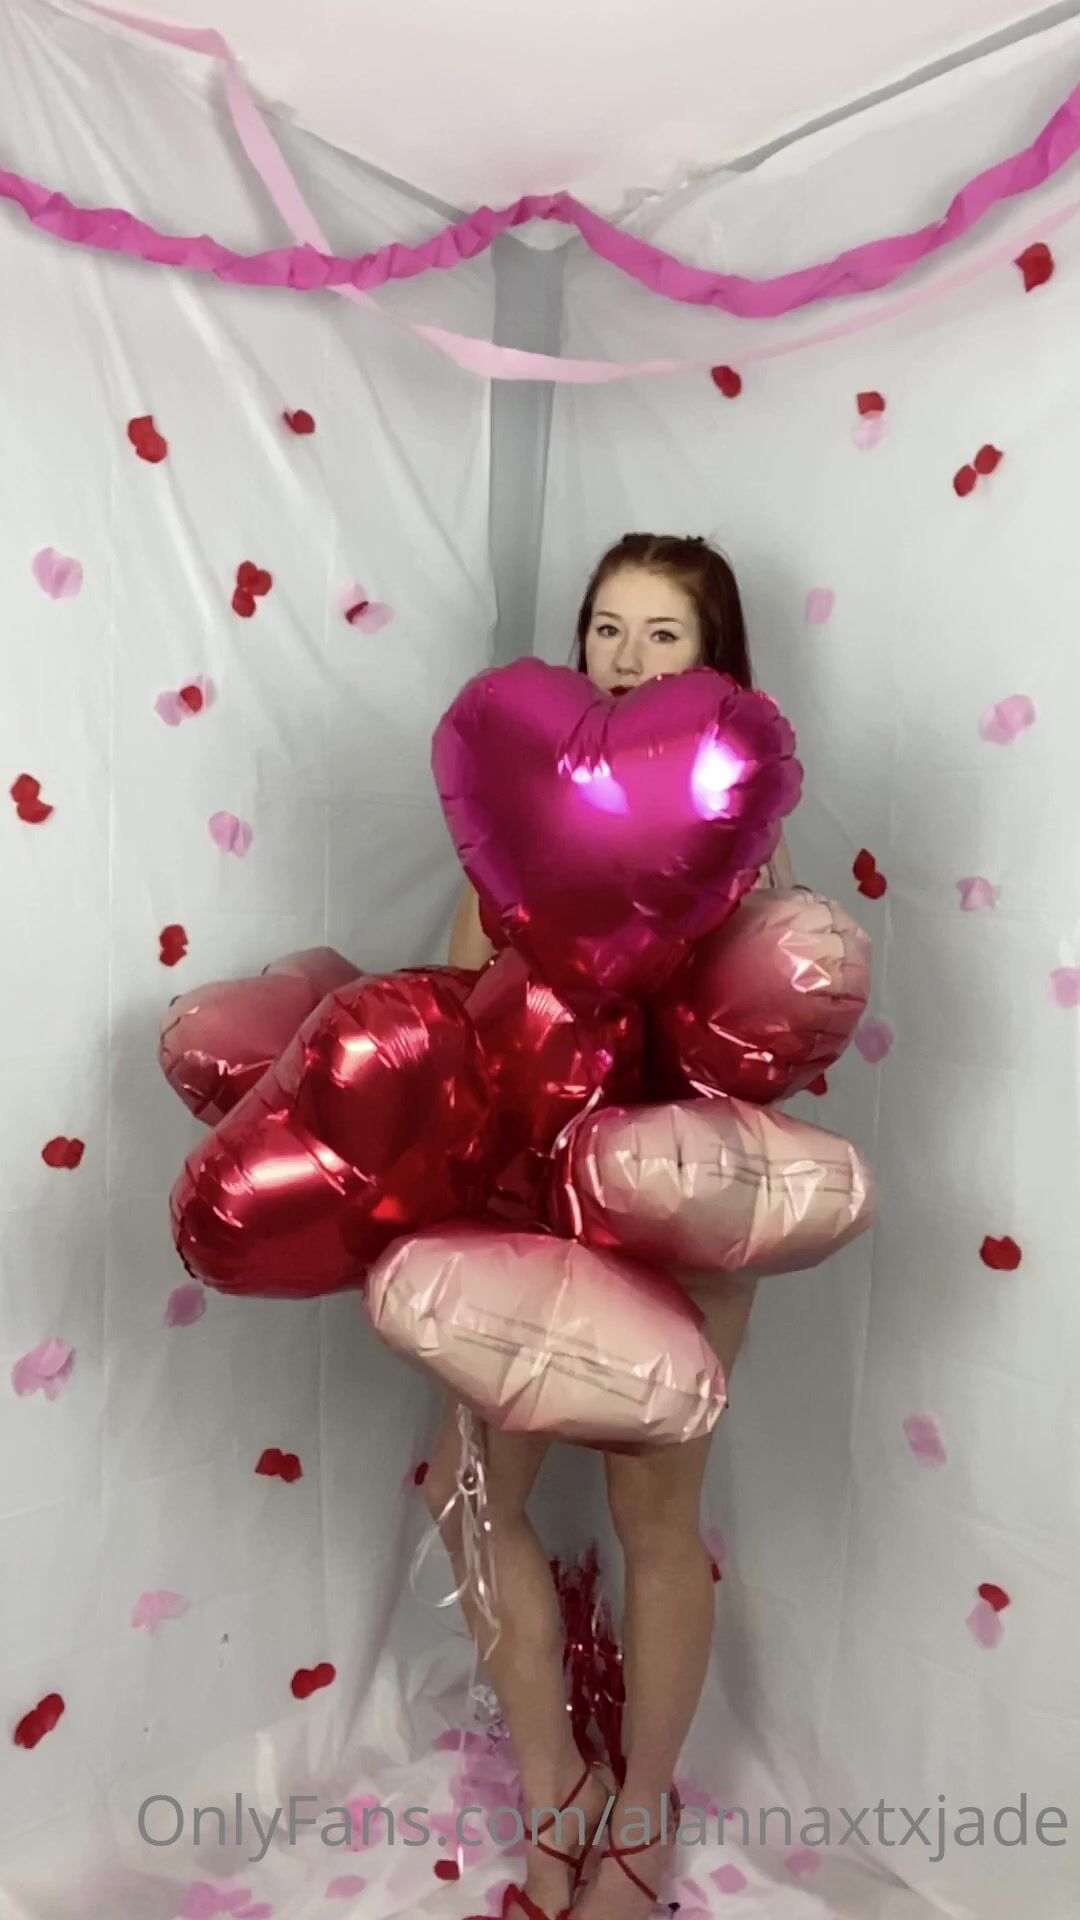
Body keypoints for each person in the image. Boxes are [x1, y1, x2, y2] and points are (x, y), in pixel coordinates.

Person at [429, 533, 796, 1920]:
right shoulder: (514, 808)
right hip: (530, 1201)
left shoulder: (744, 832)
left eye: (663, 635)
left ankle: (641, 1820)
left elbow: (763, 1039)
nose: (626, 659)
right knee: (470, 1494)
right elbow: (465, 1010)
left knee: (655, 1516)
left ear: (716, 663)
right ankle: (557, 1794)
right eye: (605, 628)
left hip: (681, 1203)